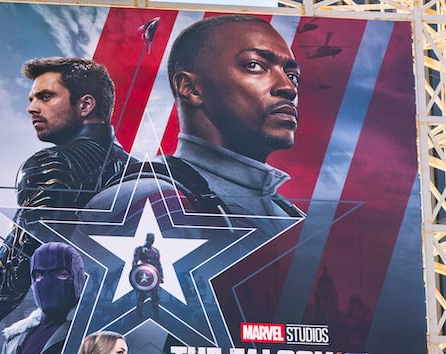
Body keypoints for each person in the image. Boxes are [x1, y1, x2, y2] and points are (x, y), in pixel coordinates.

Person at [0, 57, 132, 354]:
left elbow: (17, 262)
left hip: (69, 344)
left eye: (45, 97)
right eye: (31, 99)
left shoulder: (52, 164)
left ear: (86, 105)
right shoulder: (139, 169)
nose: (31, 108)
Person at [88, 15, 303, 219]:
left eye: (292, 76)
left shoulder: (284, 211)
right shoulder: (150, 200)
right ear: (190, 88)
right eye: (254, 65)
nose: (288, 87)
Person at [130, 233, 163, 318]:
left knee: (155, 297)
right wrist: (135, 274)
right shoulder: (140, 249)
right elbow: (135, 261)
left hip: (154, 277)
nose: (151, 240)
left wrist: (161, 276)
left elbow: (158, 264)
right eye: (150, 238)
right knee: (141, 297)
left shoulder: (156, 251)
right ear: (147, 239)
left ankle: (156, 316)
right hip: (143, 276)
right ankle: (139, 315)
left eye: (152, 238)